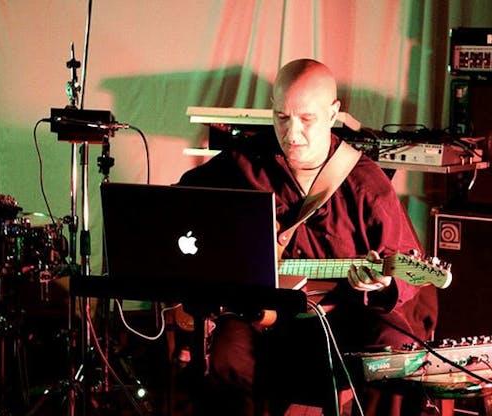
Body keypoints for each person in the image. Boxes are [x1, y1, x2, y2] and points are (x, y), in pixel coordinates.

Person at [177, 58, 437, 415]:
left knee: (396, 352)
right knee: (226, 354)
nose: (292, 133)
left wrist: (380, 283)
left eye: (306, 119)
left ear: (333, 114)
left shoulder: (366, 184)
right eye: (281, 117)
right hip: (262, 319)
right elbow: (181, 204)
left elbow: (405, 265)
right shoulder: (244, 163)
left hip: (340, 319)